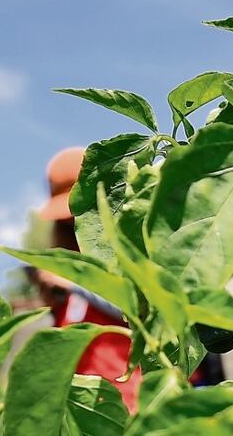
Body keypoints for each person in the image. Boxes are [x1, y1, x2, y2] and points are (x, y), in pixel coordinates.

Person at [33, 147, 142, 410]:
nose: (73, 226)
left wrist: (74, 283)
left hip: (130, 403)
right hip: (84, 408)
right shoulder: (69, 261)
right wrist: (54, 304)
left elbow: (139, 311)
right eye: (66, 221)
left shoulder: (128, 250)